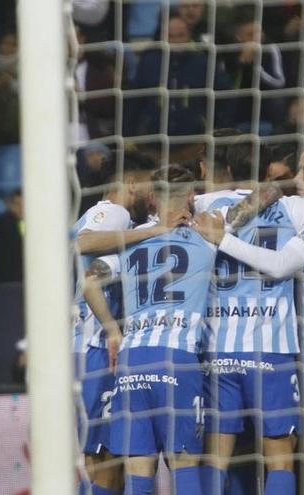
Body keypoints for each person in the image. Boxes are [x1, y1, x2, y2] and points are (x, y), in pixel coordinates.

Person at [194, 148, 304, 495]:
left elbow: (280, 264)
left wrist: (223, 236)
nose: (297, 180)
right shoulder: (302, 211)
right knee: (289, 457)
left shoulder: (199, 208)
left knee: (217, 456)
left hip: (235, 349)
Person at [83, 165, 214, 495]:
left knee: (138, 473)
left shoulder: (131, 243)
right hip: (178, 358)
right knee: (184, 468)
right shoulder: (207, 238)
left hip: (132, 361)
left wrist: (113, 330)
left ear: (153, 198)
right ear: (192, 197)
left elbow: (89, 281)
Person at [70, 150, 167, 495]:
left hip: (82, 349)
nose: (153, 194)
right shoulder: (113, 213)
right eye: (149, 185)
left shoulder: (95, 214)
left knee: (98, 461)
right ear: (131, 183)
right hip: (94, 347)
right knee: (109, 462)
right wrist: (153, 231)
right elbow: (83, 244)